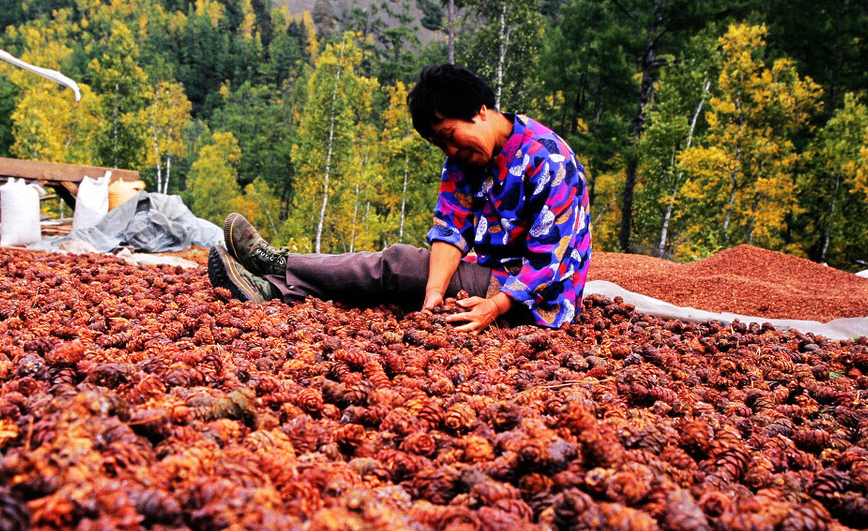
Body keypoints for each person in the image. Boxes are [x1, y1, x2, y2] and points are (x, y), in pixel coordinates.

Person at [207, 64, 591, 333]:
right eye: (438, 142)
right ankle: (273, 283)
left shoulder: (549, 161)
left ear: (480, 111)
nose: (449, 150)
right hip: (492, 274)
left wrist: (494, 306)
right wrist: (434, 293)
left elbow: (550, 262)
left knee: (398, 263)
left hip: (538, 300)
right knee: (413, 271)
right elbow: (451, 227)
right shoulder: (465, 158)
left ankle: (274, 271)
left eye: (449, 134)